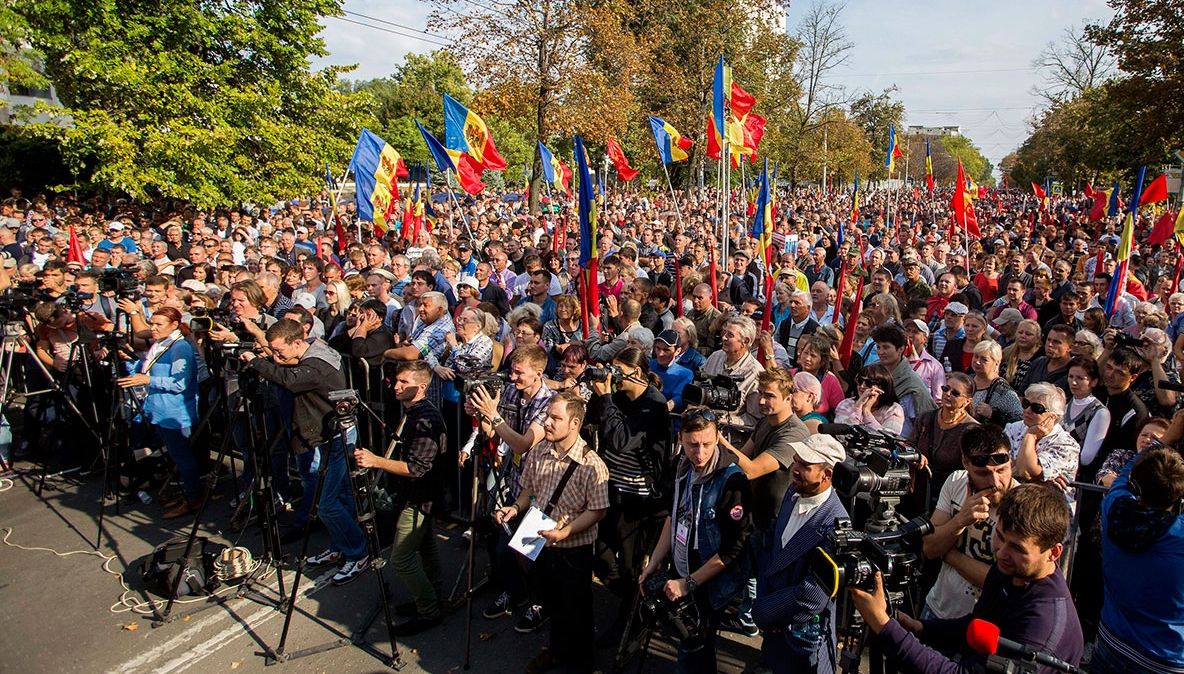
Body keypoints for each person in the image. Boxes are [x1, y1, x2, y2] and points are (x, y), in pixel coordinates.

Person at [849, 484, 1083, 673]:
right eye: (1000, 536)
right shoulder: (1010, 571)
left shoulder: (1041, 628)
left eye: (1017, 548)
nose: (1001, 552)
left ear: (1053, 553)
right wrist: (922, 629)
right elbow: (978, 625)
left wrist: (883, 624)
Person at [240, 319, 370, 585]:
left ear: (298, 342)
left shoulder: (316, 364)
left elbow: (289, 379)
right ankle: (340, 547)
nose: (277, 358)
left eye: (280, 352)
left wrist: (256, 362)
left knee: (327, 504)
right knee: (341, 496)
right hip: (327, 433)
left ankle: (358, 553)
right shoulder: (310, 351)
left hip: (338, 437)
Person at [493, 393, 610, 674]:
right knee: (551, 602)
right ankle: (556, 651)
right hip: (540, 542)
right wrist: (515, 508)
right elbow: (530, 489)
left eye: (555, 418)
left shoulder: (592, 465)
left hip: (574, 550)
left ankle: (582, 664)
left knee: (577, 609)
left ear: (575, 423)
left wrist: (566, 531)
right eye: (547, 416)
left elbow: (598, 511)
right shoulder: (539, 451)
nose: (547, 422)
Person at [639, 408, 753, 674]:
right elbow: (674, 516)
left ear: (718, 438)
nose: (700, 454)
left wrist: (688, 583)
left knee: (694, 653)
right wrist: (655, 561)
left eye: (707, 444)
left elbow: (734, 549)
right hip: (681, 573)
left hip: (708, 586)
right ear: (680, 438)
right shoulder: (681, 467)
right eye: (692, 445)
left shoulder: (733, 481)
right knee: (692, 650)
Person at [352, 361, 447, 635]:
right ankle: (432, 598)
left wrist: (375, 461)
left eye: (404, 382)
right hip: (417, 495)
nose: (396, 386)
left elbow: (417, 468)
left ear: (422, 387)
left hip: (420, 497)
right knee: (426, 546)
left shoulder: (425, 419)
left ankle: (429, 609)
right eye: (397, 380)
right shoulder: (413, 411)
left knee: (401, 558)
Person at [587, 346, 672, 639]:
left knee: (630, 562)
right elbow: (593, 422)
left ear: (636, 372)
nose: (613, 376)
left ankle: (631, 618)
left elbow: (622, 440)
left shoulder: (654, 405)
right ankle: (632, 599)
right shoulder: (617, 397)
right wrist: (600, 393)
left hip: (638, 496)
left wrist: (606, 399)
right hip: (611, 487)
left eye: (618, 371)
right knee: (600, 553)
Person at [719, 367, 811, 636]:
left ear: (788, 398)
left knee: (765, 574)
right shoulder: (765, 421)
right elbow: (744, 454)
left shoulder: (794, 433)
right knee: (750, 567)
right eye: (760, 393)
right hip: (755, 512)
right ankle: (747, 614)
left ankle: (758, 623)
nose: (761, 400)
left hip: (775, 519)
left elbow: (751, 469)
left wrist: (718, 440)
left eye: (769, 395)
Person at [752, 434, 849, 674]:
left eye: (805, 465)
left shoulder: (836, 524)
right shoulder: (793, 492)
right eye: (796, 461)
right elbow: (771, 548)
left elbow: (814, 595)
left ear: (827, 475)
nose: (795, 469)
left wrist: (766, 610)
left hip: (802, 645)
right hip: (775, 635)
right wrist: (763, 598)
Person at [1092, 445, 1184, 673]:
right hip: (1164, 659)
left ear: (1137, 485)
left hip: (1111, 642)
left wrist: (1159, 443)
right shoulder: (1179, 536)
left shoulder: (1113, 506)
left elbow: (1124, 477)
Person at [921, 425, 1019, 622]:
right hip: (938, 609)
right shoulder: (956, 481)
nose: (995, 482)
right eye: (983, 474)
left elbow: (1002, 583)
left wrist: (948, 554)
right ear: (966, 462)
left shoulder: (1021, 505)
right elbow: (930, 548)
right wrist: (960, 520)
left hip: (984, 624)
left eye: (1002, 470)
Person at [117, 307, 201, 518]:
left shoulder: (180, 347)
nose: (152, 328)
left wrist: (148, 380)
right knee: (175, 456)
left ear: (174, 325)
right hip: (159, 409)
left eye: (158, 324)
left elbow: (180, 383)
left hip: (175, 412)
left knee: (183, 458)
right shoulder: (160, 343)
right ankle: (187, 493)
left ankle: (193, 498)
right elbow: (151, 367)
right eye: (151, 323)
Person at [702, 315, 765, 432]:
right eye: (724, 333)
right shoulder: (715, 357)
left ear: (745, 341)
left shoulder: (755, 373)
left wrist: (724, 420)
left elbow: (754, 419)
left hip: (730, 435)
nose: (724, 338)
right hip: (702, 425)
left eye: (730, 335)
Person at [872, 325, 936, 438]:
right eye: (878, 347)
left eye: (886, 347)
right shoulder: (872, 372)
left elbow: (921, 422)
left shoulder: (911, 384)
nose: (881, 352)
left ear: (900, 349)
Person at [834, 363, 905, 435]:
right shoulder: (846, 404)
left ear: (882, 387)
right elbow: (842, 433)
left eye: (869, 383)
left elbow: (889, 437)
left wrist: (866, 411)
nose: (862, 386)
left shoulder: (894, 409)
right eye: (860, 381)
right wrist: (858, 407)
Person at [970, 340, 1023, 427]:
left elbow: (1019, 420)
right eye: (976, 356)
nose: (977, 361)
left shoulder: (1003, 391)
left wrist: (993, 414)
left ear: (996, 363)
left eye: (984, 359)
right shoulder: (967, 381)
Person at [651, 329, 693, 412]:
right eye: (658, 348)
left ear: (677, 351)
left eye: (666, 350)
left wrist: (664, 408)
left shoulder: (685, 374)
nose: (660, 354)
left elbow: (678, 398)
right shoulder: (649, 365)